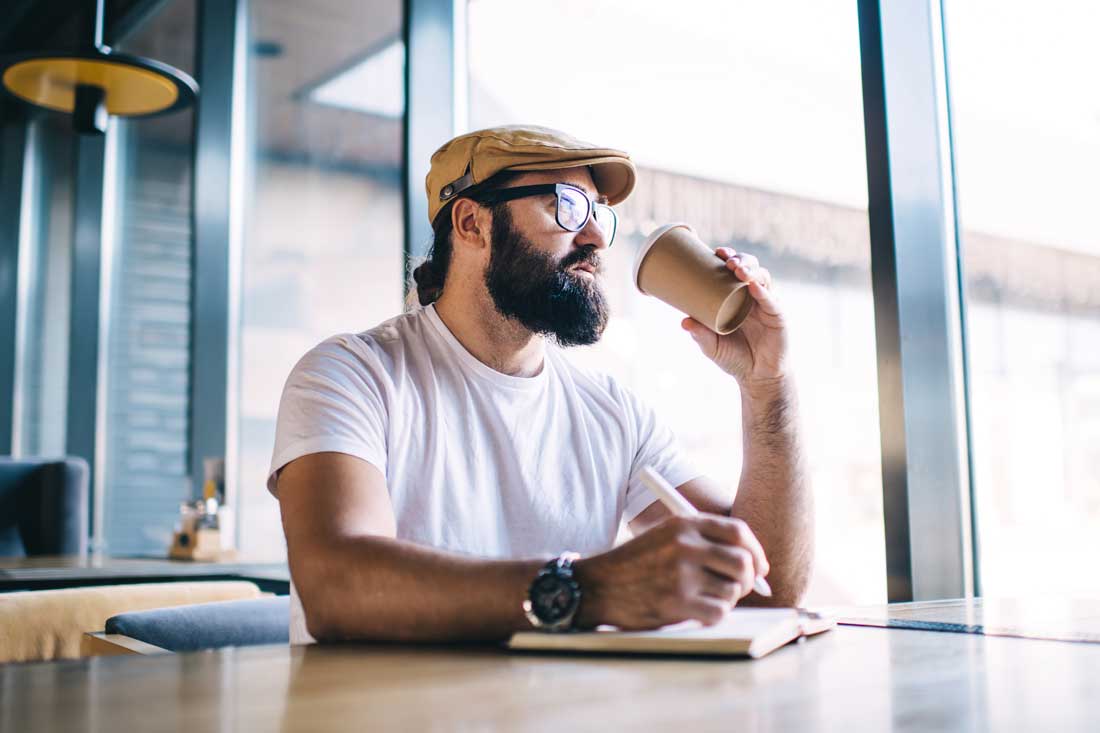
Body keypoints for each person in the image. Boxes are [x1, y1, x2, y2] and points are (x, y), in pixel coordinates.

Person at [269, 125, 812, 644]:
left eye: (600, 213)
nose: (598, 235)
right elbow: (336, 585)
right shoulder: (351, 374)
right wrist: (593, 589)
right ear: (471, 224)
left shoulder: (613, 413)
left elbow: (766, 591)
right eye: (568, 205)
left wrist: (768, 385)